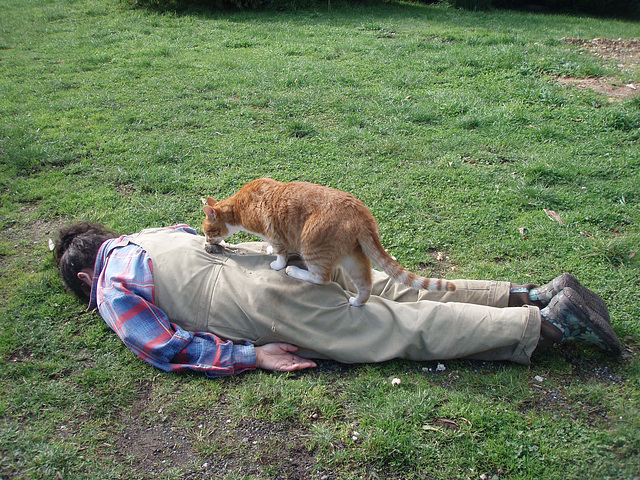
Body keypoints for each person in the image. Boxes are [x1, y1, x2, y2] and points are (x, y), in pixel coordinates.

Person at [53, 222, 622, 377]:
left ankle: (546, 323)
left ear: (83, 277)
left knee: (390, 325)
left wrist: (252, 355)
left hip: (263, 297)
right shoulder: (152, 234)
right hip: (281, 256)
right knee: (397, 286)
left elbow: (162, 345)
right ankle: (531, 292)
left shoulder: (108, 285)